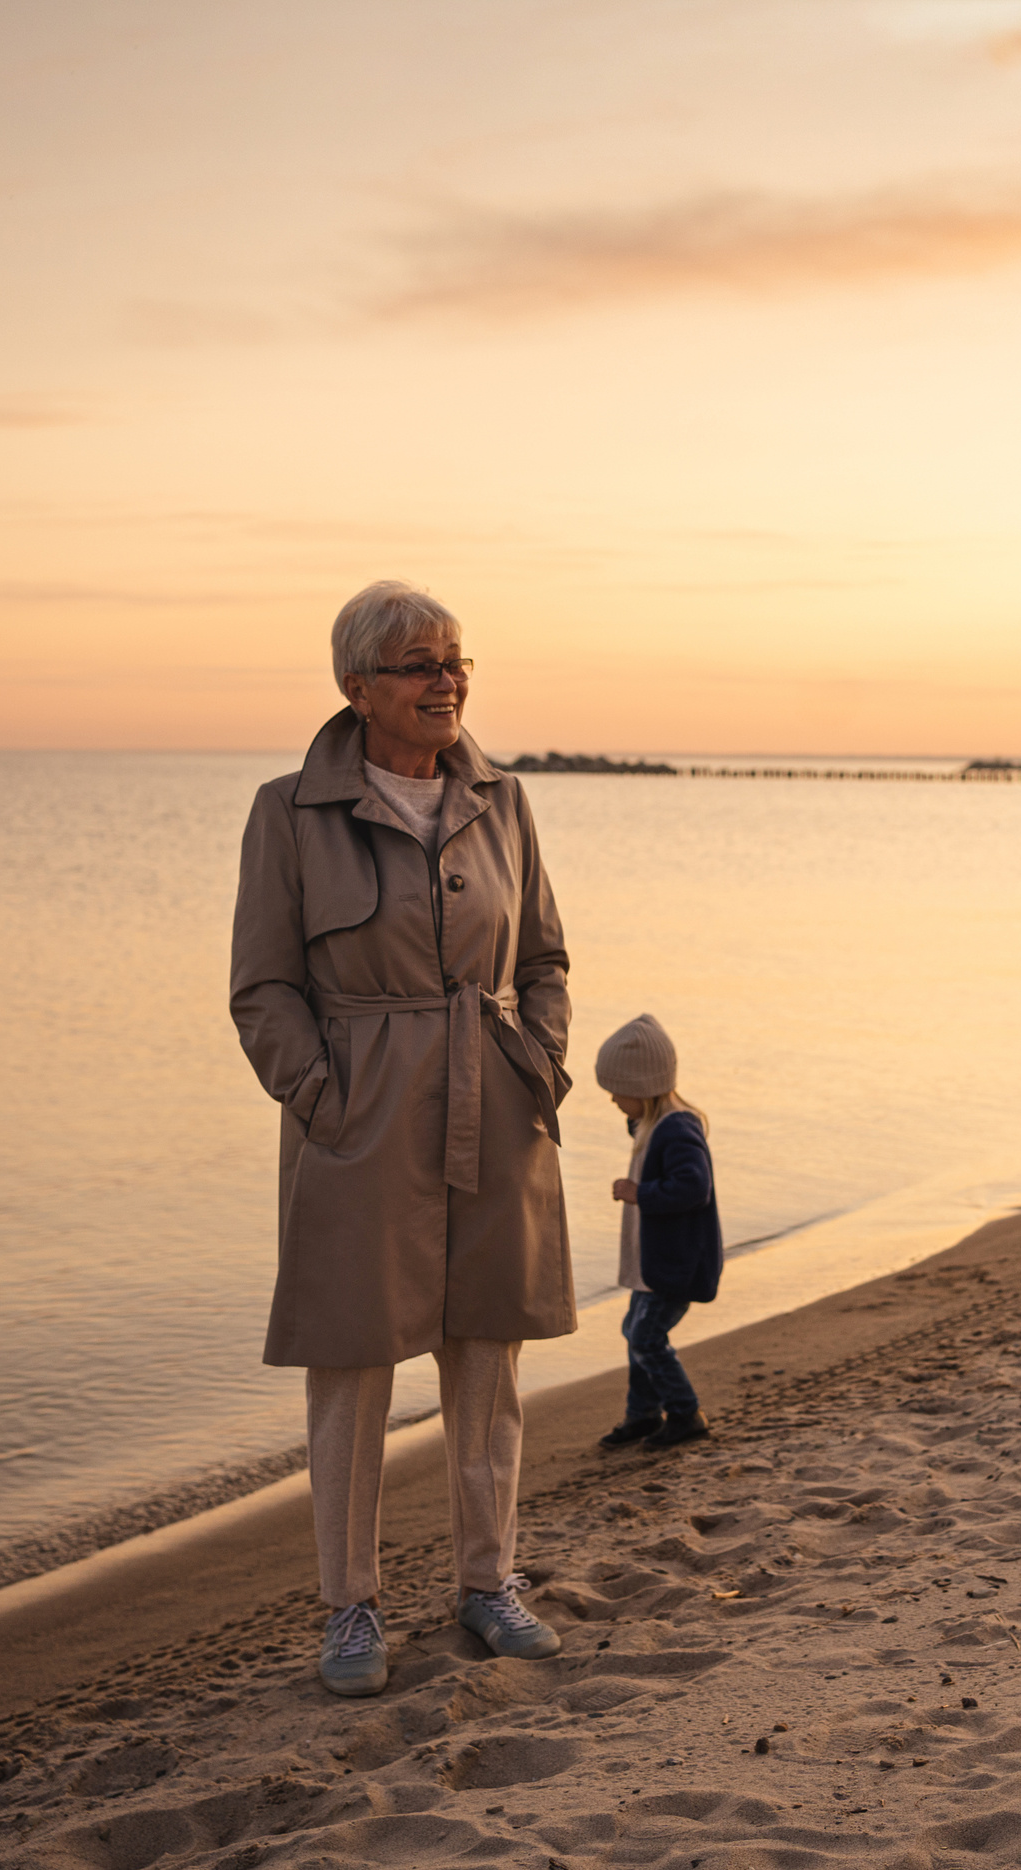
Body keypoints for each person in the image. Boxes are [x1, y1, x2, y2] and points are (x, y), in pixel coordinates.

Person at [231, 579, 576, 1697]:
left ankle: (487, 1581)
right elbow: (263, 988)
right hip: (360, 1116)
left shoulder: (505, 801)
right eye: (420, 664)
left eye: (457, 660)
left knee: (487, 1357)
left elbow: (543, 959)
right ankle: (351, 1605)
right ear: (358, 686)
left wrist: (541, 1062)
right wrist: (323, 1101)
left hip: (496, 1099)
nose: (447, 681)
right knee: (351, 1367)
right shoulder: (289, 812)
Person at [591, 1013, 722, 1451]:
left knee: (646, 1338)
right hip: (653, 1263)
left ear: (643, 1088)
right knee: (635, 1331)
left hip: (674, 1262)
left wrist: (640, 1193)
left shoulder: (677, 1128)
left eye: (617, 1091)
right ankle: (643, 1414)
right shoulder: (650, 1124)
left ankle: (685, 1413)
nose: (612, 1100)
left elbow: (695, 1187)